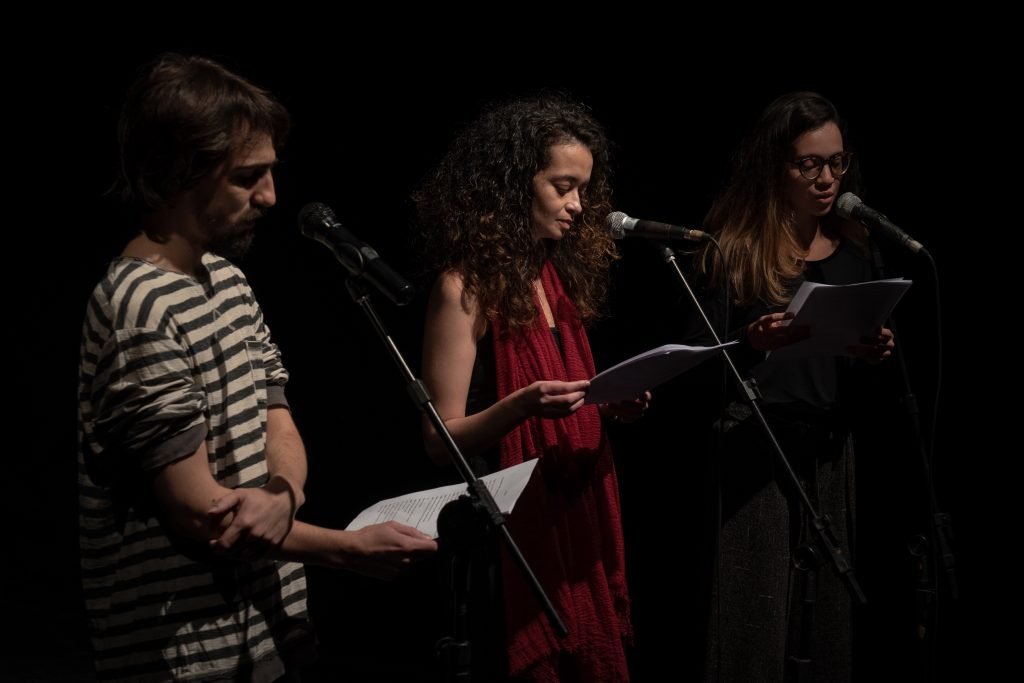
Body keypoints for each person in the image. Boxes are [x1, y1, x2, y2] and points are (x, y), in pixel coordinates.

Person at [77, 53, 437, 682]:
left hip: (272, 624)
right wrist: (348, 551)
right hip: (187, 655)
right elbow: (201, 514)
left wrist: (283, 492)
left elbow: (279, 418)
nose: (271, 196)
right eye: (248, 177)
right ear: (181, 174)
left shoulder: (229, 281)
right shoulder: (139, 306)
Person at [413, 94, 649, 682]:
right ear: (515, 184)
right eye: (562, 186)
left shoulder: (554, 277)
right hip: (504, 534)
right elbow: (439, 441)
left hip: (572, 514)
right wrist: (521, 406)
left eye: (583, 189)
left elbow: (568, 396)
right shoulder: (463, 288)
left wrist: (605, 403)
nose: (578, 205)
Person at [691, 91, 895, 683]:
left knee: (828, 620)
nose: (827, 177)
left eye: (836, 162)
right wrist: (752, 341)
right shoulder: (734, 248)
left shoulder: (857, 247)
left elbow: (854, 357)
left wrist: (876, 350)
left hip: (829, 445)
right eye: (809, 163)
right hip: (756, 443)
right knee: (751, 620)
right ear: (775, 165)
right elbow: (694, 360)